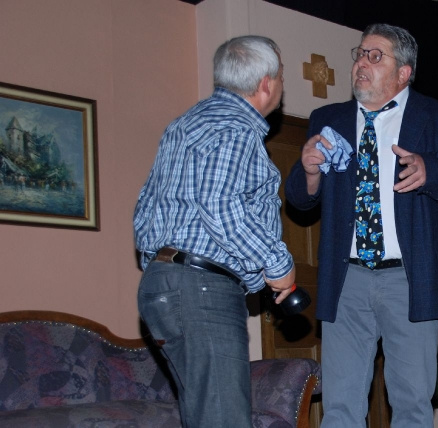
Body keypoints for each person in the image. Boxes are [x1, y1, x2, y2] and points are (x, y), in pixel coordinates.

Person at [285, 23, 438, 428]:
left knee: (411, 405)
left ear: (404, 72)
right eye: (359, 53)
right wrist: (309, 171)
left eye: (375, 56)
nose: (362, 62)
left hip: (410, 280)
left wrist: (431, 171)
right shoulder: (328, 119)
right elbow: (300, 200)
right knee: (339, 406)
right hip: (347, 279)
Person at [133, 35, 295, 428]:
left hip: (165, 284)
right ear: (266, 84)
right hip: (200, 288)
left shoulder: (184, 124)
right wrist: (278, 265)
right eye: (282, 77)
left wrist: (166, 269)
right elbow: (220, 204)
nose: (282, 86)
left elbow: (144, 209)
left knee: (206, 416)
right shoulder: (238, 128)